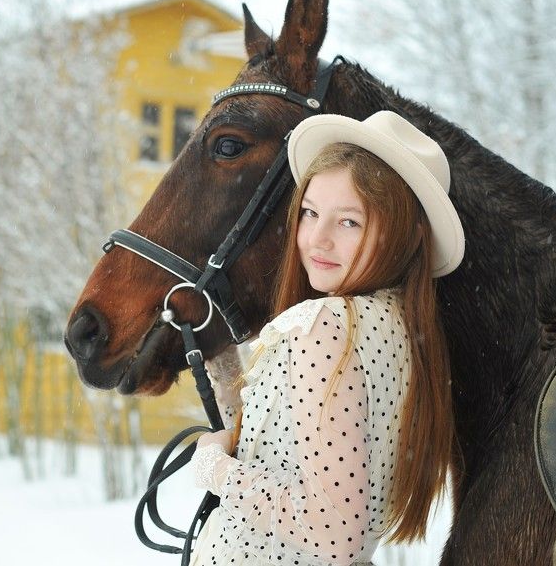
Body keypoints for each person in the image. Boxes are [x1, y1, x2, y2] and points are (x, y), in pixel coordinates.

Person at [189, 111, 465, 566]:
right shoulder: (401, 328)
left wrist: (216, 469)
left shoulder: (329, 325)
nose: (316, 239)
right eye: (311, 213)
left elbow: (333, 533)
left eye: (349, 222)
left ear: (406, 236)